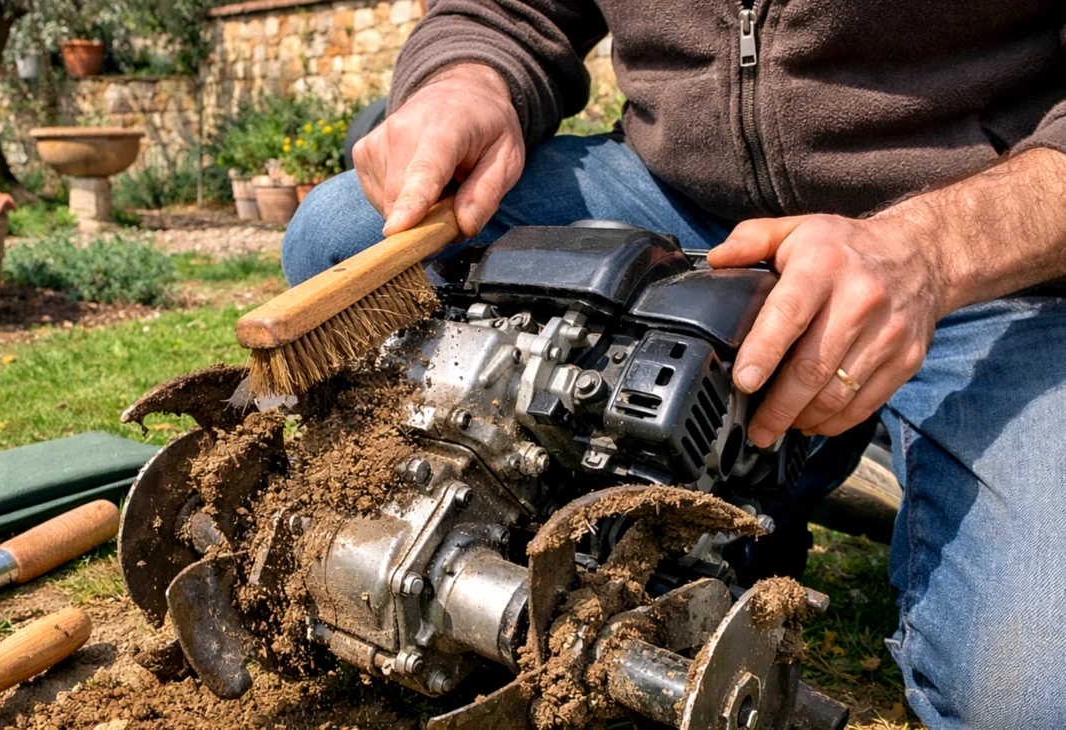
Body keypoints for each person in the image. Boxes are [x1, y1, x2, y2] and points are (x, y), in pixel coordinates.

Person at [282, 1, 1066, 727]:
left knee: (1034, 695)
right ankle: (698, 504)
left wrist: (934, 252)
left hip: (983, 251)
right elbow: (504, 10)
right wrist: (467, 78)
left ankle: (795, 474)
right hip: (674, 203)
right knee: (343, 236)